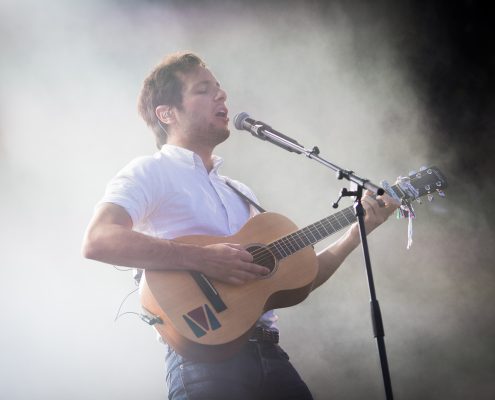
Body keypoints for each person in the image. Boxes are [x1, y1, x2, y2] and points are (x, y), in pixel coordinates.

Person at [82, 52, 398, 400]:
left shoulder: (240, 193)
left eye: (219, 89)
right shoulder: (149, 172)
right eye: (204, 90)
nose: (222, 96)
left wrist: (357, 232)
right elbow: (99, 240)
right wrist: (202, 258)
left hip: (271, 356)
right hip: (203, 362)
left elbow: (298, 278)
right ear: (167, 113)